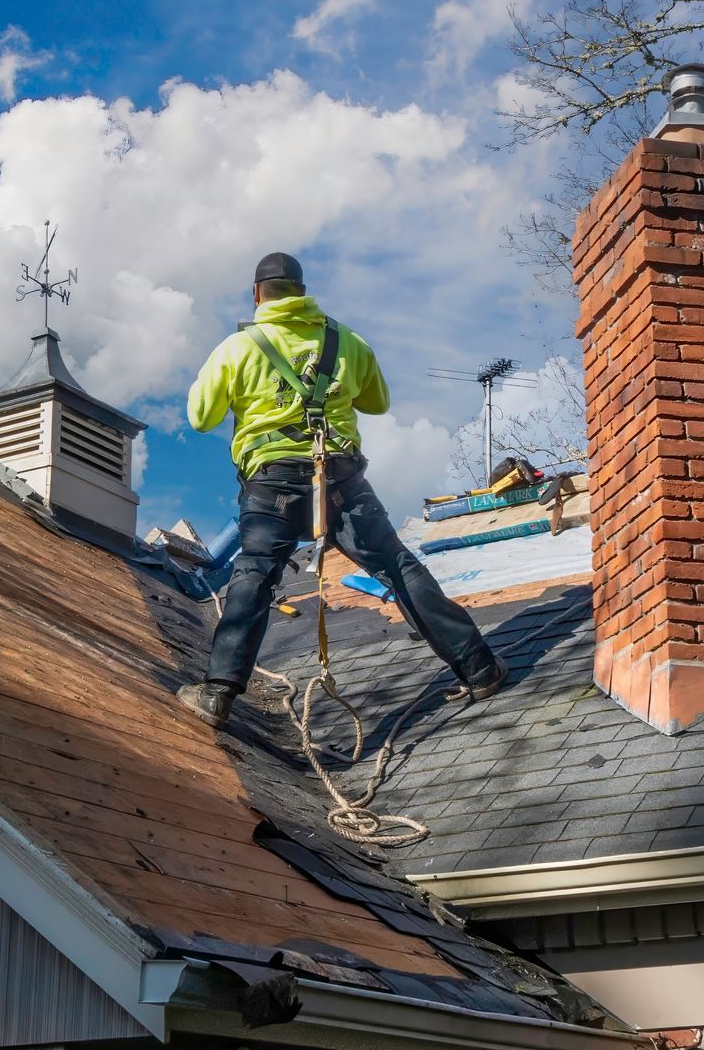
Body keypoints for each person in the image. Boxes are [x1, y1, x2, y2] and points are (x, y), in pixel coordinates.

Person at [178, 252, 508, 723]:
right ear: (301, 290)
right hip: (341, 480)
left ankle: (219, 693)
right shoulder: (346, 341)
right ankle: (480, 669)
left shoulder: (236, 349)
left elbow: (200, 416)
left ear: (257, 295)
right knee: (396, 566)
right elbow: (376, 401)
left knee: (253, 575)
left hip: (272, 484)